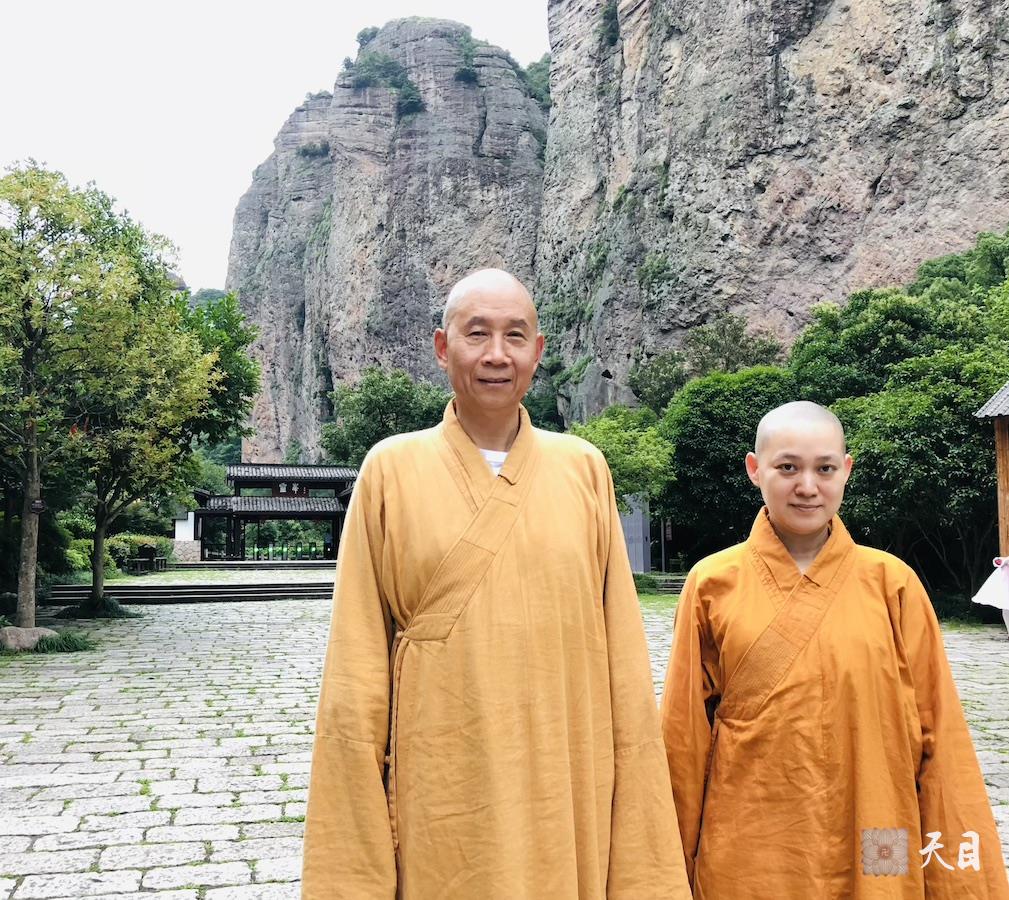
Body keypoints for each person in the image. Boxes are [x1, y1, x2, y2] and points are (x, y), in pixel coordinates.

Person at [303, 268, 690, 898]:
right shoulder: (390, 470)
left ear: (538, 352)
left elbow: (622, 656)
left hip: (565, 779)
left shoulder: (583, 469)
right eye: (476, 333)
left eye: (515, 336)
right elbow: (355, 674)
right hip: (446, 784)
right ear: (441, 346)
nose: (495, 354)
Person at [660, 400, 1009, 899]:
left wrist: (961, 880)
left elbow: (940, 735)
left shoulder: (892, 583)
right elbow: (682, 741)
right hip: (752, 841)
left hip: (877, 832)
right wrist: (667, 870)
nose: (807, 486)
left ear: (845, 471)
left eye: (824, 468)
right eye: (787, 468)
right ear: (754, 471)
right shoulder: (713, 583)